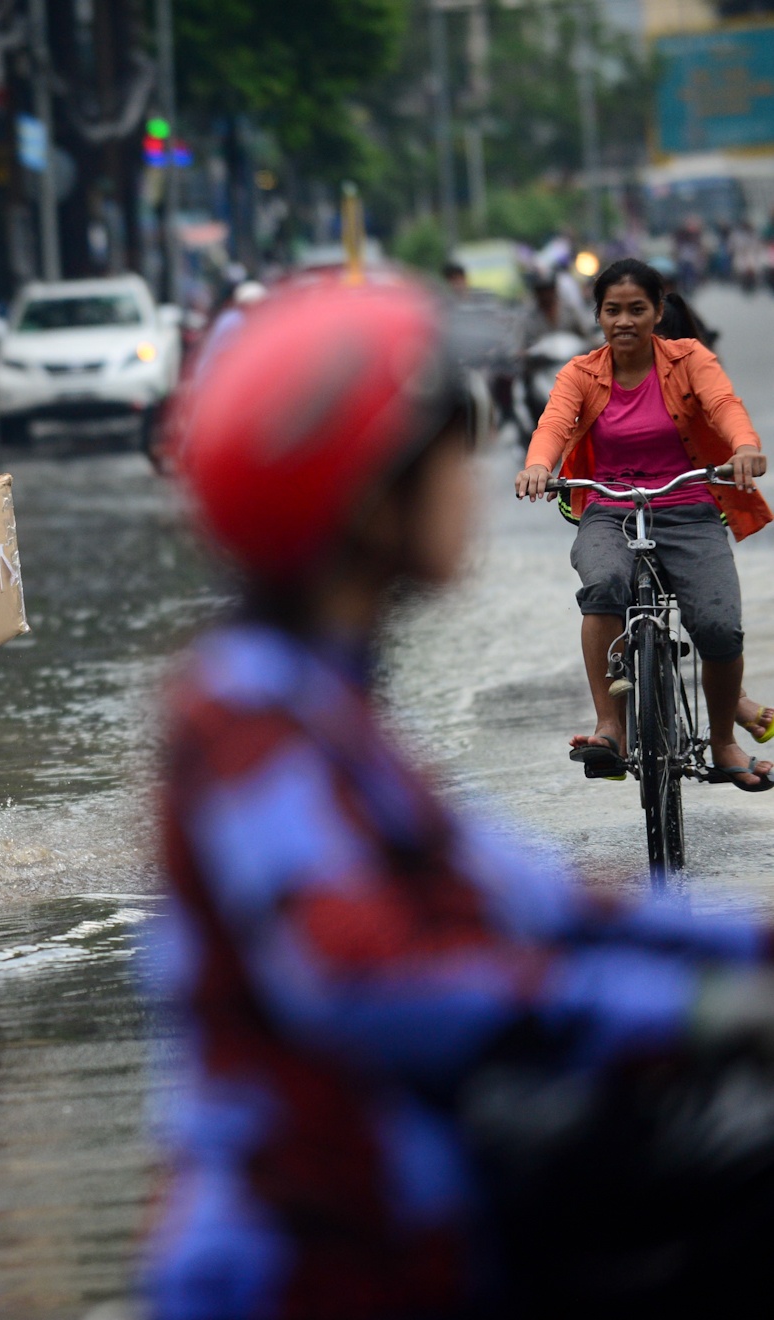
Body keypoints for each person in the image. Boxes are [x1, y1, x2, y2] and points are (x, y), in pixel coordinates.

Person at [151, 276, 774, 1317]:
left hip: (418, 1197)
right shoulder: (246, 716)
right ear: (371, 495)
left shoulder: (328, 700)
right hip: (318, 1250)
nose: (469, 480)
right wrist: (694, 1011)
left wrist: (746, 955)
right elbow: (363, 974)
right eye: (450, 453)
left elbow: (533, 898)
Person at [516, 257, 774, 787]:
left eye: (638, 309)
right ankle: (611, 726)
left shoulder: (690, 359)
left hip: (689, 508)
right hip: (609, 510)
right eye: (613, 310)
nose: (625, 320)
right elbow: (554, 424)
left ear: (659, 312)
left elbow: (725, 404)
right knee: (604, 585)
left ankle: (724, 742)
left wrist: (745, 447)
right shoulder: (579, 373)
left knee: (719, 627)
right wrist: (538, 466)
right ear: (598, 316)